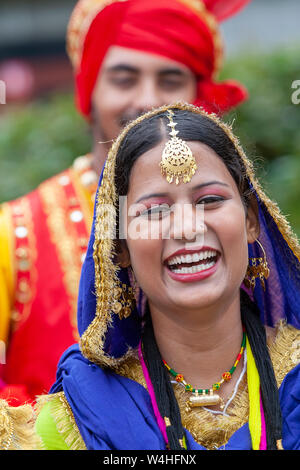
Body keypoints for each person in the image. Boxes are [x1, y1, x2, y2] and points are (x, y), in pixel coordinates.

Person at [0, 0, 251, 405]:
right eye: (124, 79)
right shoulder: (13, 236)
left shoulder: (233, 222)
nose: (147, 101)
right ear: (90, 91)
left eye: (170, 80)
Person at [35, 103, 300, 450]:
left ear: (250, 219)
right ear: (120, 246)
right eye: (156, 210)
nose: (188, 228)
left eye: (209, 200)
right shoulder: (75, 420)